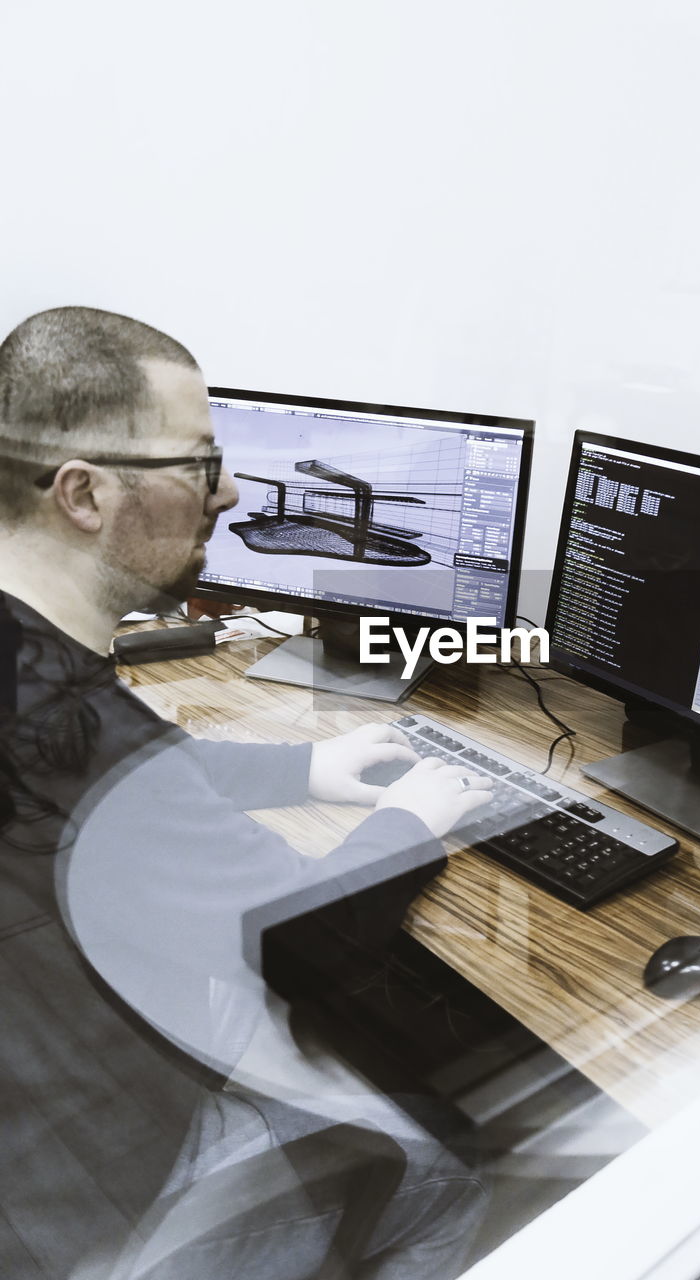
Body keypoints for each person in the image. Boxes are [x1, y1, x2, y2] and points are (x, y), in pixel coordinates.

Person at [0, 306, 494, 1279]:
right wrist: (408, 820)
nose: (228, 491)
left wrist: (300, 767)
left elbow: (77, 773)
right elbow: (298, 935)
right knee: (449, 1171)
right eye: (199, 462)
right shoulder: (95, 733)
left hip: (33, 1110)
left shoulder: (39, 680)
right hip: (97, 1205)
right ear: (85, 494)